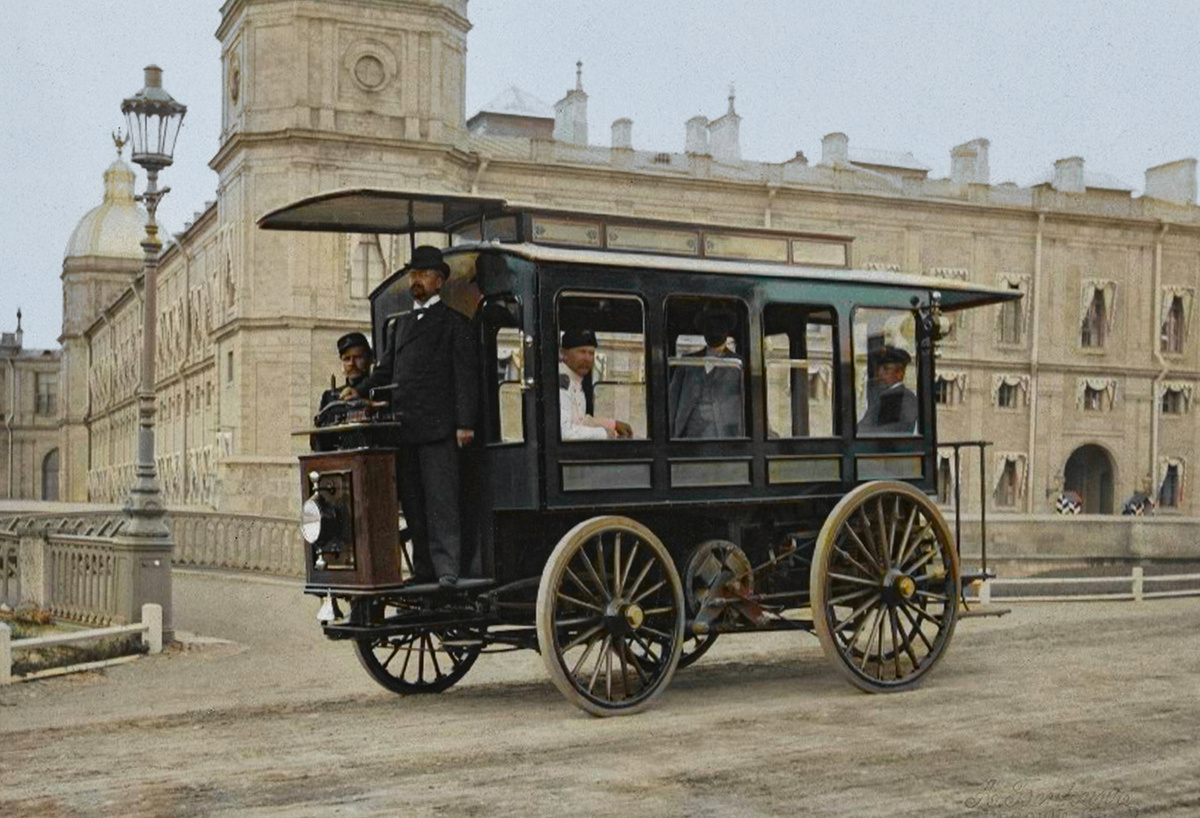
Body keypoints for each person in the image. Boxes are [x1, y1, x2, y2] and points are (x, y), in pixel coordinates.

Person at [348, 246, 479, 588]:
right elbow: (386, 370)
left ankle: (447, 568)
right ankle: (424, 568)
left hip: (439, 429)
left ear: (439, 282)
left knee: (441, 501)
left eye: (422, 275)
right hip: (406, 429)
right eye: (413, 275)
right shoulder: (400, 327)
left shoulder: (454, 324)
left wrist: (464, 424)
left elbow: (464, 377)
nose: (416, 281)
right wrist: (360, 389)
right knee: (415, 503)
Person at [668, 305, 744, 438]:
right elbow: (672, 400)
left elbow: (754, 401)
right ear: (704, 331)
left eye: (719, 326)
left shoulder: (739, 365)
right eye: (709, 326)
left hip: (725, 438)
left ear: (727, 330)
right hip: (689, 437)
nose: (714, 331)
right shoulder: (687, 362)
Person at [559, 329, 633, 440]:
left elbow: (580, 421)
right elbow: (565, 432)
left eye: (591, 353)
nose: (587, 359)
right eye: (582, 352)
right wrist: (604, 434)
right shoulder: (562, 383)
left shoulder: (576, 381)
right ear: (564, 353)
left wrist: (613, 424)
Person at [858, 345, 918, 435]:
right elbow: (863, 425)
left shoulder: (907, 399)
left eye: (886, 370)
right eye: (879, 369)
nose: (880, 374)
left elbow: (893, 431)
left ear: (900, 373)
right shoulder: (880, 398)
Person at [319, 331, 373, 409]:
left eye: (358, 357)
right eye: (347, 359)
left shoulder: (378, 392)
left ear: (369, 359)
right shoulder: (330, 397)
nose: (352, 363)